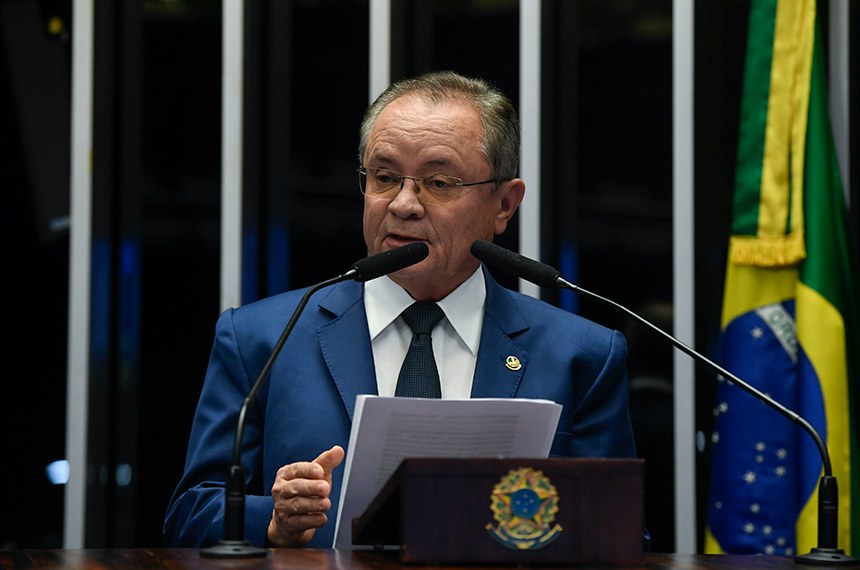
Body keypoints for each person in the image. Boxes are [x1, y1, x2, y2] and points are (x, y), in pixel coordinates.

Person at [163, 70, 637, 549]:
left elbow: (620, 533)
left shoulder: (581, 356)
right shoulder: (262, 338)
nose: (404, 205)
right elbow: (189, 515)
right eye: (385, 178)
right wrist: (274, 519)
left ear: (504, 204)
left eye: (439, 182)